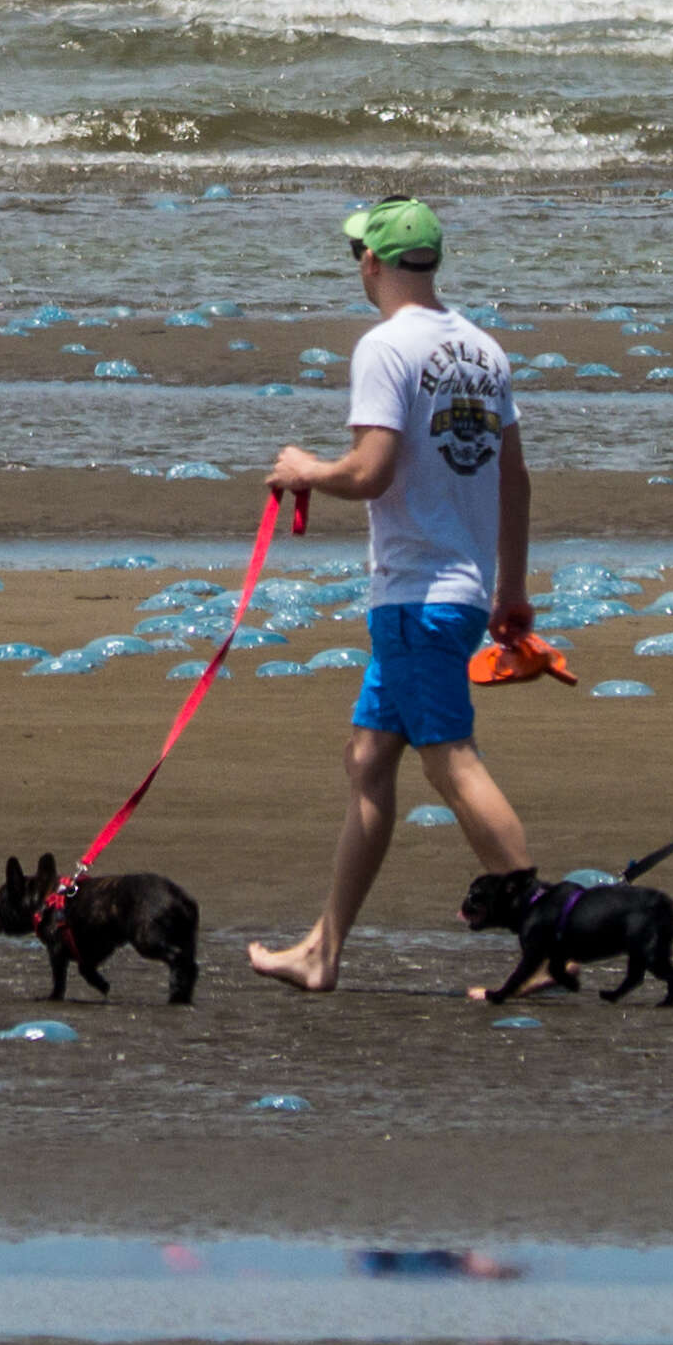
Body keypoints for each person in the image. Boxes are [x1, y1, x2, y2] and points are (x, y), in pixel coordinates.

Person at [247, 195, 536, 995]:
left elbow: (370, 472)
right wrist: (510, 587)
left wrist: (305, 470)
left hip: (416, 596)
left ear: (373, 263)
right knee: (370, 758)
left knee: (452, 762)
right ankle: (323, 949)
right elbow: (514, 480)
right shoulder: (483, 349)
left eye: (357, 257)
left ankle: (553, 940)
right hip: (459, 591)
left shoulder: (385, 347)